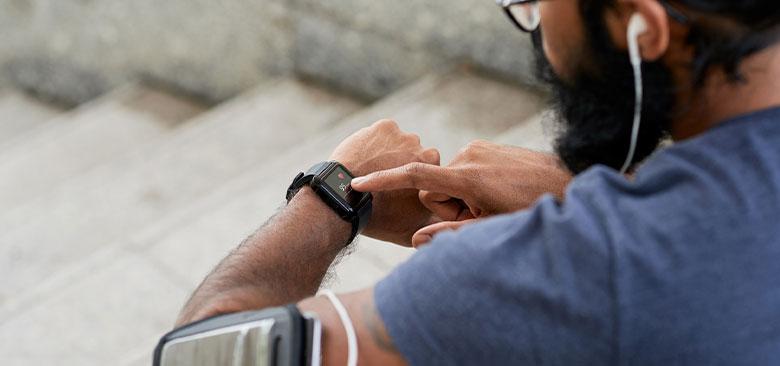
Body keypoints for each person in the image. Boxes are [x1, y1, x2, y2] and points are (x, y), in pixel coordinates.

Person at [175, 0, 780, 364]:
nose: (538, 30)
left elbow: (197, 355)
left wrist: (336, 190)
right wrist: (588, 193)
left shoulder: (579, 272)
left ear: (637, 23)